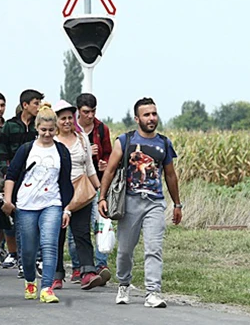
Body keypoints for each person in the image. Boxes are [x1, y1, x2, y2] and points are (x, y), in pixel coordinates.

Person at [99, 97, 182, 308]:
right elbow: (109, 170)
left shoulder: (164, 143)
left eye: (154, 113)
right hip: (129, 202)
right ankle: (124, 284)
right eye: (146, 114)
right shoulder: (125, 141)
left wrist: (177, 204)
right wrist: (102, 198)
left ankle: (153, 292)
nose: (151, 118)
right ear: (137, 118)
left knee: (154, 248)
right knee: (125, 250)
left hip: (154, 202)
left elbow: (170, 176)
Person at [2, 102, 74, 304]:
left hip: (52, 202)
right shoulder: (27, 149)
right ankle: (30, 280)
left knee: (50, 245)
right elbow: (12, 175)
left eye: (51, 130)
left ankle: (47, 288)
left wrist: (66, 208)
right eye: (43, 130)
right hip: (26, 204)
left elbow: (66, 181)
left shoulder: (61, 151)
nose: (47, 134)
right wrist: (8, 200)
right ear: (37, 128)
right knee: (28, 249)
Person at [51, 100, 103, 290]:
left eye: (69, 118)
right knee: (57, 235)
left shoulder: (82, 140)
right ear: (55, 121)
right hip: (57, 193)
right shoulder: (51, 142)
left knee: (82, 233)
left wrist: (101, 192)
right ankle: (55, 274)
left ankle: (87, 272)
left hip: (81, 193)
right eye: (62, 118)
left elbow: (90, 167)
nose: (66, 122)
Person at [0, 89, 43, 275]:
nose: (38, 107)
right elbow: (1, 153)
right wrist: (9, 174)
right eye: (35, 103)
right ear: (25, 105)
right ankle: (23, 262)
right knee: (20, 221)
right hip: (15, 180)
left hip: (37, 180)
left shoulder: (39, 127)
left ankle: (37, 259)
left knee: (36, 221)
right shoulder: (10, 126)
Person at [74, 93, 113, 283]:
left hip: (97, 180)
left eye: (93, 111)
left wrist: (104, 163)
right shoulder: (71, 128)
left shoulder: (101, 129)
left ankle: (101, 264)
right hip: (77, 183)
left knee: (100, 222)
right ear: (78, 111)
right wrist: (88, 149)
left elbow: (109, 154)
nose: (90, 115)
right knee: (78, 228)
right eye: (86, 112)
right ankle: (76, 266)